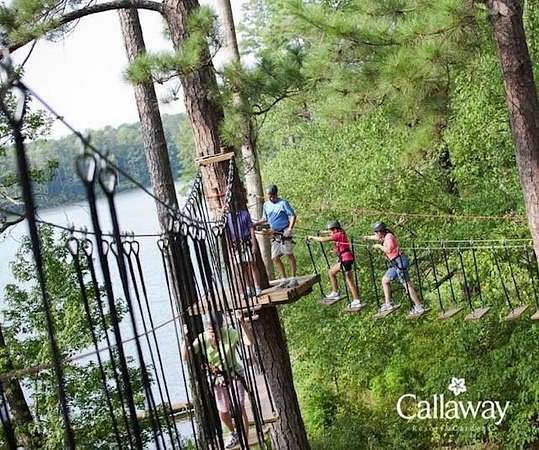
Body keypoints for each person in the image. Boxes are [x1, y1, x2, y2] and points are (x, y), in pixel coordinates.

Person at [182, 312, 253, 449]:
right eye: (210, 330)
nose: (213, 334)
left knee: (238, 408)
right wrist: (185, 337)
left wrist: (242, 323)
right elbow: (185, 357)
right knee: (223, 412)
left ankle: (244, 440)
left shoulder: (230, 333)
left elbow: (249, 341)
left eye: (215, 330)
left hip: (234, 374)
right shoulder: (202, 339)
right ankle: (233, 433)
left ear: (221, 328)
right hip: (218, 379)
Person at [362, 221, 425, 315]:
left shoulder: (389, 237)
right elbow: (376, 237)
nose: (375, 235)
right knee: (385, 280)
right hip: (395, 263)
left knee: (407, 285)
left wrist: (379, 246)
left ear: (380, 232)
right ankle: (388, 303)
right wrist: (366, 237)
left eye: (376, 232)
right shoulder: (384, 236)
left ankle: (418, 306)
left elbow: (389, 250)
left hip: (400, 262)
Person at [308, 220, 364, 309]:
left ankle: (356, 300)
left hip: (346, 259)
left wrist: (312, 237)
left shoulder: (338, 235)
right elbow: (328, 233)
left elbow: (323, 240)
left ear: (335, 229)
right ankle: (335, 292)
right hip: (345, 259)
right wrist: (323, 232)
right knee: (331, 272)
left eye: (330, 230)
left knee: (349, 280)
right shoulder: (340, 233)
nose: (329, 232)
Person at [254, 184, 298, 288]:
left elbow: (292, 216)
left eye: (272, 196)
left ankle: (293, 278)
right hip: (274, 234)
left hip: (284, 232)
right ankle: (284, 279)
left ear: (276, 194)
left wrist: (290, 229)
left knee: (289, 254)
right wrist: (255, 224)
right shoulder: (266, 205)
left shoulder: (283, 203)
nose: (270, 198)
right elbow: (265, 218)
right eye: (269, 196)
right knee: (274, 257)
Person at [227, 206, 262, 297]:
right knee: (242, 267)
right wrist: (230, 248)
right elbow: (227, 234)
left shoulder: (244, 214)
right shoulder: (227, 217)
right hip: (236, 245)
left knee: (252, 264)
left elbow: (251, 229)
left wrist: (254, 244)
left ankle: (257, 287)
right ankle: (248, 288)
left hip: (246, 242)